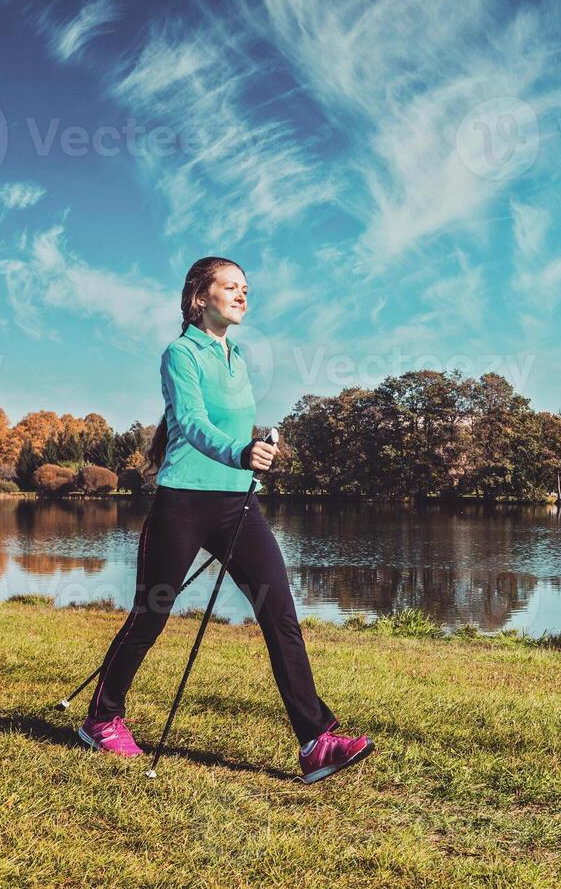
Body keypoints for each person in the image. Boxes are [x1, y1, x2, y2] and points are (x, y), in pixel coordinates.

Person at [78, 256, 374, 785]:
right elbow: (189, 423)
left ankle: (315, 742)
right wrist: (240, 451)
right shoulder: (180, 353)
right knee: (151, 615)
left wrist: (257, 449)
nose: (242, 296)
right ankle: (101, 718)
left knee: (279, 612)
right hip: (183, 504)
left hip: (239, 505)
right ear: (200, 297)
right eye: (230, 287)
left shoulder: (236, 357)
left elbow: (235, 431)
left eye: (245, 289)